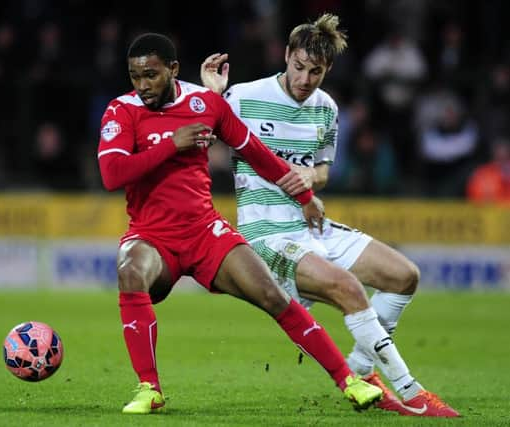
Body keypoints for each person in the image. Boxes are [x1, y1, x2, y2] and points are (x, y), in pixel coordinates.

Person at [97, 32, 383, 415]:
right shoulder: (122, 110)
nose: (143, 85)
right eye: (135, 76)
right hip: (152, 237)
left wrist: (304, 195)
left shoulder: (205, 103)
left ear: (173, 69)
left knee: (272, 296)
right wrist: (171, 144)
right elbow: (113, 174)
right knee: (130, 270)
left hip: (205, 232)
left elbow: (256, 152)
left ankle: (349, 381)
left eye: (151, 75)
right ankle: (149, 387)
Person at [200, 14, 459, 417]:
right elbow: (203, 141)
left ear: (328, 69)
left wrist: (311, 177)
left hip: (312, 225)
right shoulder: (244, 96)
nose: (305, 79)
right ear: (286, 56)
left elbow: (323, 168)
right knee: (349, 289)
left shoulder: (326, 108)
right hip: (265, 234)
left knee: (404, 276)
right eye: (298, 67)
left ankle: (361, 365)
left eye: (315, 71)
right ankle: (411, 392)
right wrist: (211, 98)